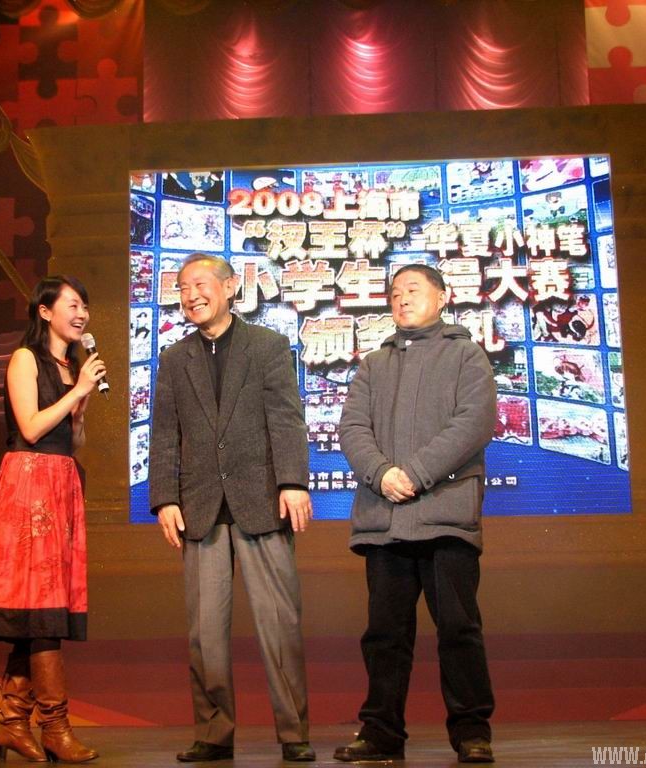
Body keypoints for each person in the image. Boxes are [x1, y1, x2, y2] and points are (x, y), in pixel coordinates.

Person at [149, 254, 315, 763]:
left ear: (229, 288)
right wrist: (164, 498)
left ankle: (294, 734)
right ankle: (213, 733)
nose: (191, 295)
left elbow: (286, 418)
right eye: (182, 288)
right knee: (205, 634)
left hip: (261, 500)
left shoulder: (267, 346)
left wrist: (292, 482)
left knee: (279, 624)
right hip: (200, 507)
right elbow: (165, 435)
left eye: (200, 284)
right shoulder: (175, 358)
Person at [334, 264, 497, 764]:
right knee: (385, 636)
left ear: (443, 297)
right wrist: (381, 473)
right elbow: (352, 428)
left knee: (458, 630)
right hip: (385, 522)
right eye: (395, 292)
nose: (401, 298)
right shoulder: (374, 364)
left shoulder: (467, 354)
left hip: (446, 518)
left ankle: (472, 732)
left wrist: (416, 473)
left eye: (413, 289)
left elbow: (474, 423)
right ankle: (381, 731)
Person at [0, 275, 107, 764]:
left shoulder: (72, 367)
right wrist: (76, 392)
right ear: (45, 311)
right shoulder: (25, 359)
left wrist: (81, 406)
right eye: (72, 304)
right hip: (28, 485)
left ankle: (12, 723)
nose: (82, 313)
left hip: (61, 482)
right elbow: (29, 428)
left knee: (37, 613)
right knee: (41, 610)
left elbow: (73, 440)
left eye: (84, 305)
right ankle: (55, 726)